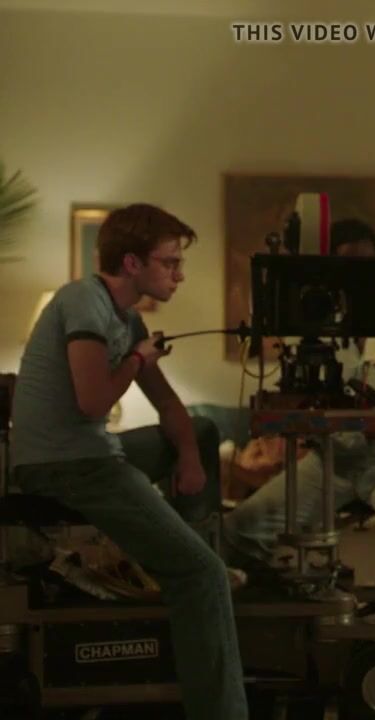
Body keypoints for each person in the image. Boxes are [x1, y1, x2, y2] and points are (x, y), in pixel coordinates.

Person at [221, 217, 375, 717]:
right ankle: (265, 640)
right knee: (237, 531)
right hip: (330, 459)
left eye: (364, 267)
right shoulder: (316, 322)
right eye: (344, 268)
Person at [9, 203, 248, 720]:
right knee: (201, 576)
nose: (179, 275)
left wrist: (189, 458)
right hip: (64, 465)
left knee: (201, 430)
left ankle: (190, 547)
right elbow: (92, 403)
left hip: (95, 455)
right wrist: (138, 359)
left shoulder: (128, 318)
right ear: (133, 263)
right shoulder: (83, 300)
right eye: (170, 263)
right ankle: (197, 573)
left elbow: (169, 406)